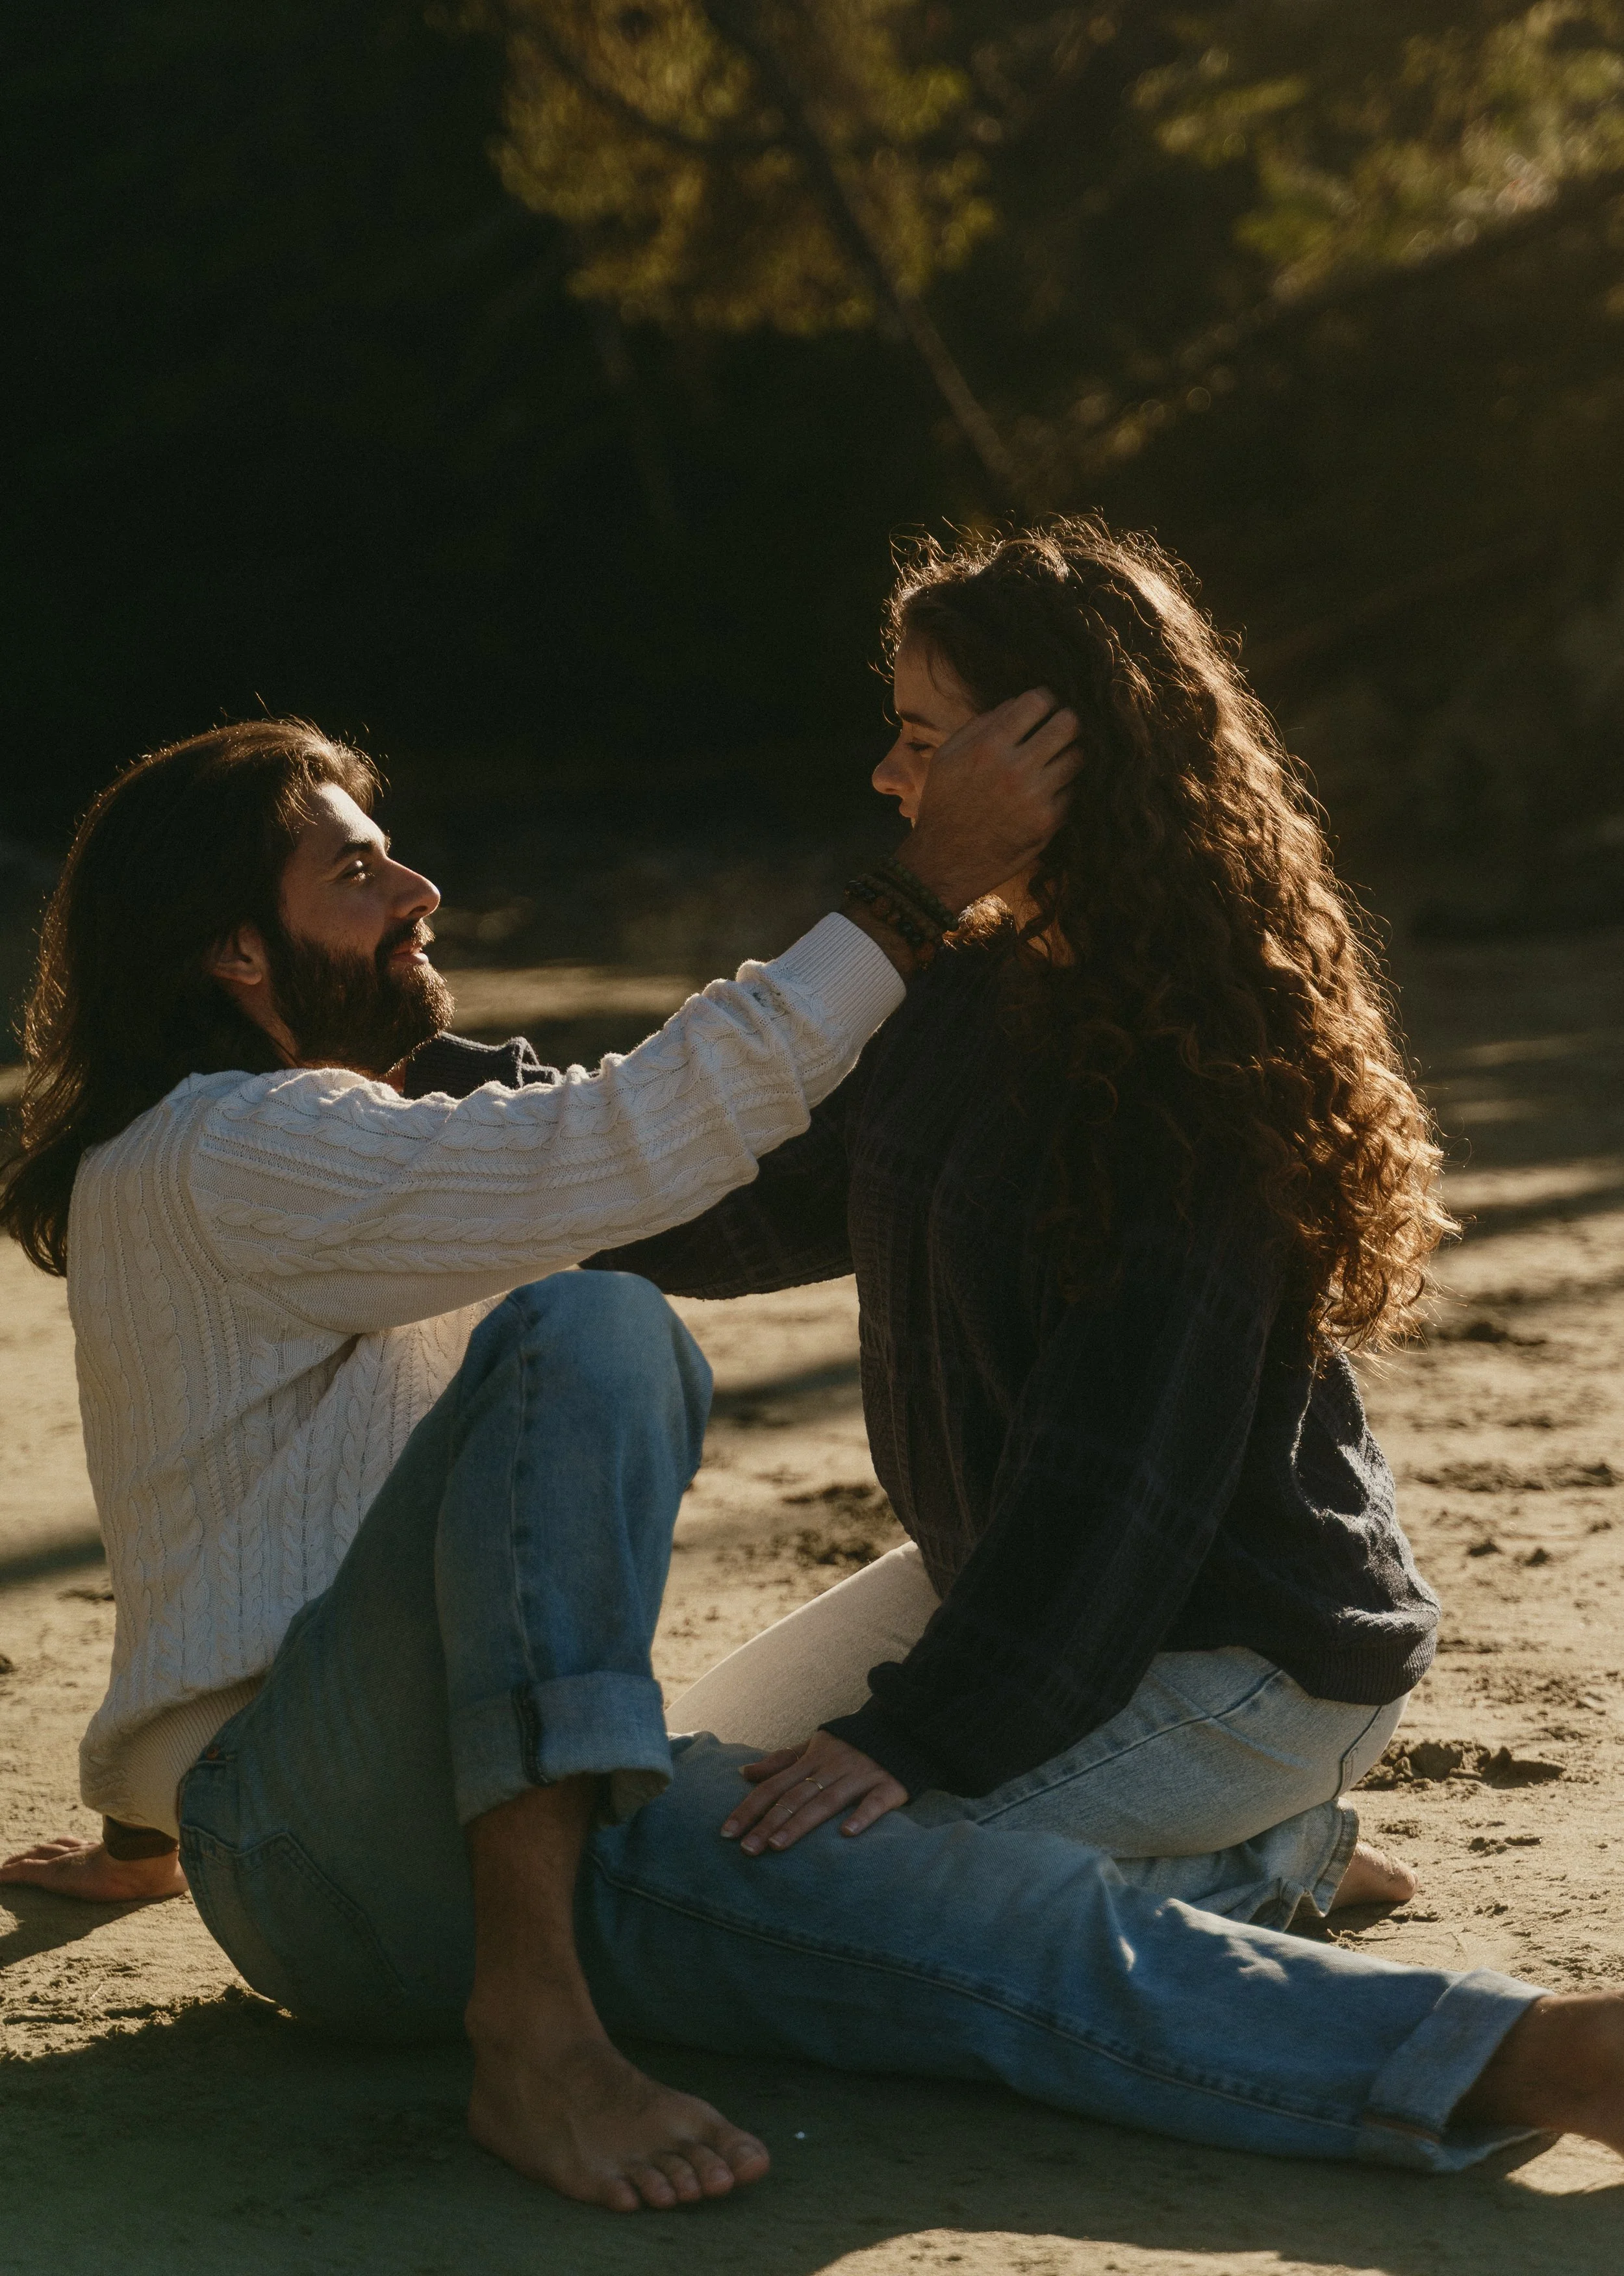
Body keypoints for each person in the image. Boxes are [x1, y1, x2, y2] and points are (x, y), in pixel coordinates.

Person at [5, 700, 1624, 2201]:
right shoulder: (239, 1144)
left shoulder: (280, 1158)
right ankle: (1517, 2051)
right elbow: (621, 1143)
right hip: (355, 1852)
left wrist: (147, 1823)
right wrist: (917, 891)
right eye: (359, 871)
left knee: (860, 1780)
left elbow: (220, 1514)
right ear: (232, 945)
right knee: (595, 1331)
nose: (419, 886)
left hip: (392, 1807)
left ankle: (1254, 1862)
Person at [583, 520, 1443, 1932]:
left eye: (923, 741)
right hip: (1019, 1592)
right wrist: (445, 1123)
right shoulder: (966, 996)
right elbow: (737, 1202)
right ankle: (1150, 1852)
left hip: (1240, 1661)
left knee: (753, 1888)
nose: (886, 777)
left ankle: (1258, 1858)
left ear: (1049, 757)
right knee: (662, 1805)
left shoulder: (1189, 1090)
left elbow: (1109, 1496)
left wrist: (913, 1740)